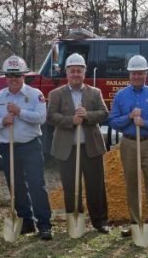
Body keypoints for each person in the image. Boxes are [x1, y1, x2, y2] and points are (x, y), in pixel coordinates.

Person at [0, 54, 53, 240]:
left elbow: (41, 118)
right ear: (5, 77)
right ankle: (26, 222)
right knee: (16, 186)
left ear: (24, 76)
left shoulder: (34, 95)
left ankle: (44, 224)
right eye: (9, 75)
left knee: (37, 185)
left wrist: (19, 112)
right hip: (8, 147)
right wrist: (2, 121)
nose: (13, 79)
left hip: (30, 146)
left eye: (17, 75)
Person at [47, 53, 111, 233]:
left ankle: (100, 221)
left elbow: (104, 113)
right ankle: (75, 220)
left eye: (79, 71)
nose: (76, 74)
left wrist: (87, 116)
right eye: (72, 71)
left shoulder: (94, 92)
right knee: (70, 186)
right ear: (67, 73)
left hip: (91, 147)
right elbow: (51, 116)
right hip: (67, 148)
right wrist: (71, 120)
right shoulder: (56, 94)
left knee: (96, 186)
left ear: (84, 73)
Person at [108, 55, 148, 240]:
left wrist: (145, 123)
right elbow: (112, 120)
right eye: (134, 73)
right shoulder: (121, 96)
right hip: (128, 143)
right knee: (132, 183)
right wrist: (128, 117)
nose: (137, 76)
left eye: (140, 73)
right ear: (129, 74)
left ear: (145, 74)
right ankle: (136, 223)